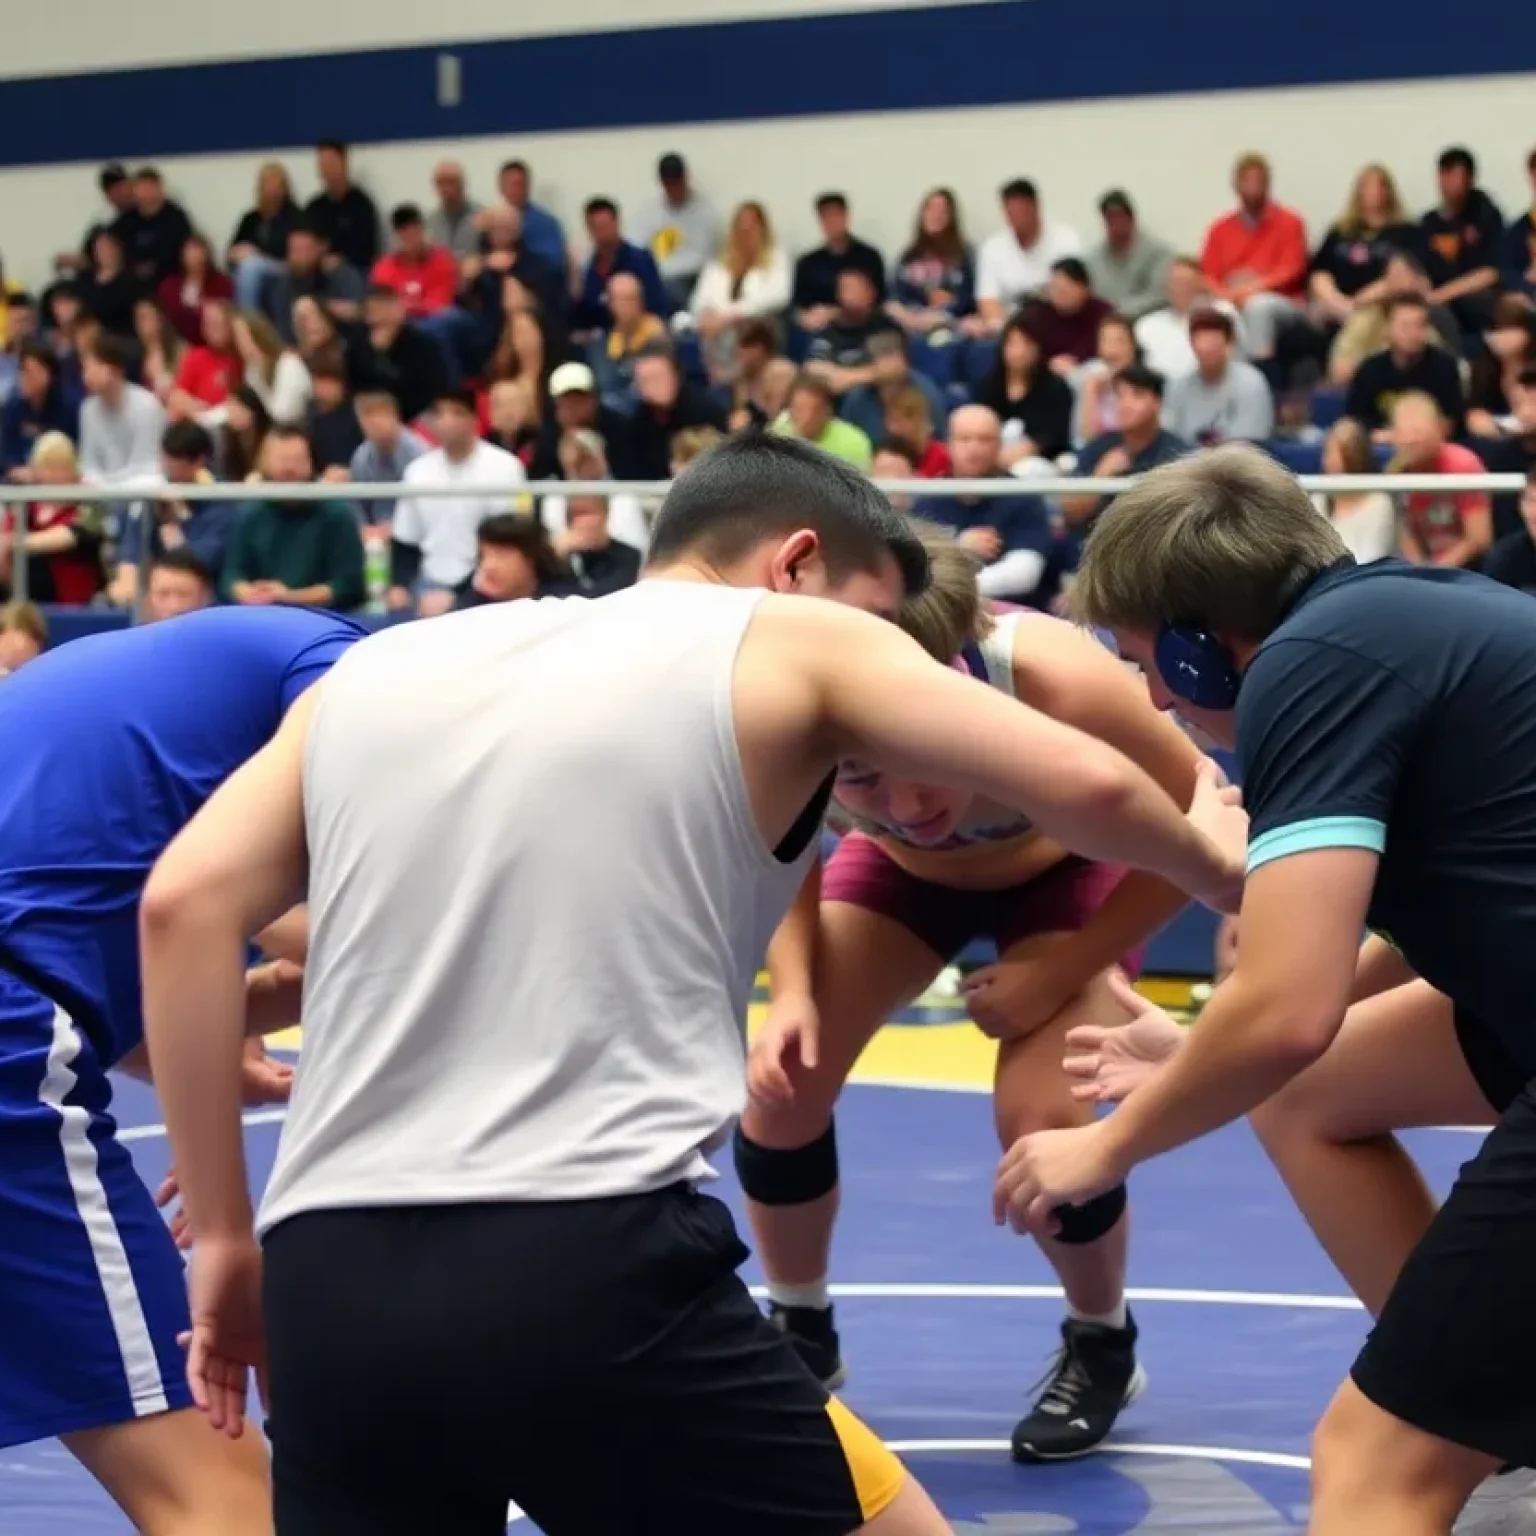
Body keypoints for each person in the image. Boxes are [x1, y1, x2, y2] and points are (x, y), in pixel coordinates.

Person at [141, 433, 1245, 1536]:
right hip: (583, 1260)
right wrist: (1226, 870)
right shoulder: (793, 638)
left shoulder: (383, 666)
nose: (901, 661)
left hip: (326, 1278)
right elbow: (1093, 780)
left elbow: (180, 909)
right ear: (800, 564)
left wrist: (229, 1237)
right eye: (883, 626)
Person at [997, 442, 1536, 1536]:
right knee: (1305, 1097)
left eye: (1149, 659)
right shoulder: (1417, 612)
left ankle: (1464, 1412)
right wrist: (1198, 1052)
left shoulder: (1307, 666)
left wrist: (1107, 1146)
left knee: (1370, 1465)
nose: (1151, 693)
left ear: (1203, 648)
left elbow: (1288, 1008)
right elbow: (1433, 935)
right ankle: (1495, 1401)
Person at [737, 522, 1211, 1462]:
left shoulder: (1053, 679)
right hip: (903, 881)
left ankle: (1103, 1337)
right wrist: (790, 987)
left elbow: (1201, 835)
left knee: (1044, 1116)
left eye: (939, 761)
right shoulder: (791, 697)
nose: (914, 803)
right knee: (781, 1081)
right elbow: (782, 842)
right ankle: (801, 1331)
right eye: (871, 774)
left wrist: (1064, 970)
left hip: (1072, 871)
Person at [0, 605, 366, 1536]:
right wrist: (222, 1216)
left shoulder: (132, 712)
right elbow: (368, 931)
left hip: (28, 993)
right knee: (218, 1495)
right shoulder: (360, 676)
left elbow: (106, 933)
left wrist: (199, 1052)